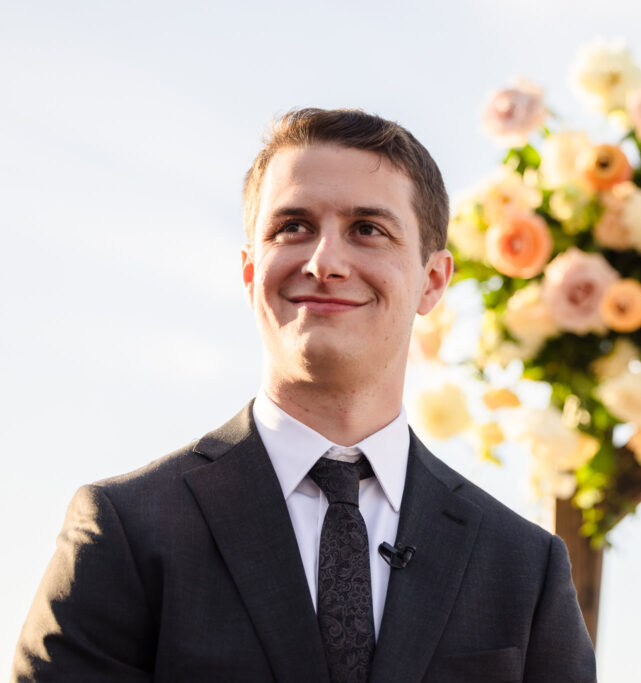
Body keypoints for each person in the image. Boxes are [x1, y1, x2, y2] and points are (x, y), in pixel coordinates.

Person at [13, 108, 597, 682]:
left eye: (368, 229)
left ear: (433, 280)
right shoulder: (127, 529)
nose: (325, 262)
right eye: (293, 227)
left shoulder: (524, 569)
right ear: (249, 271)